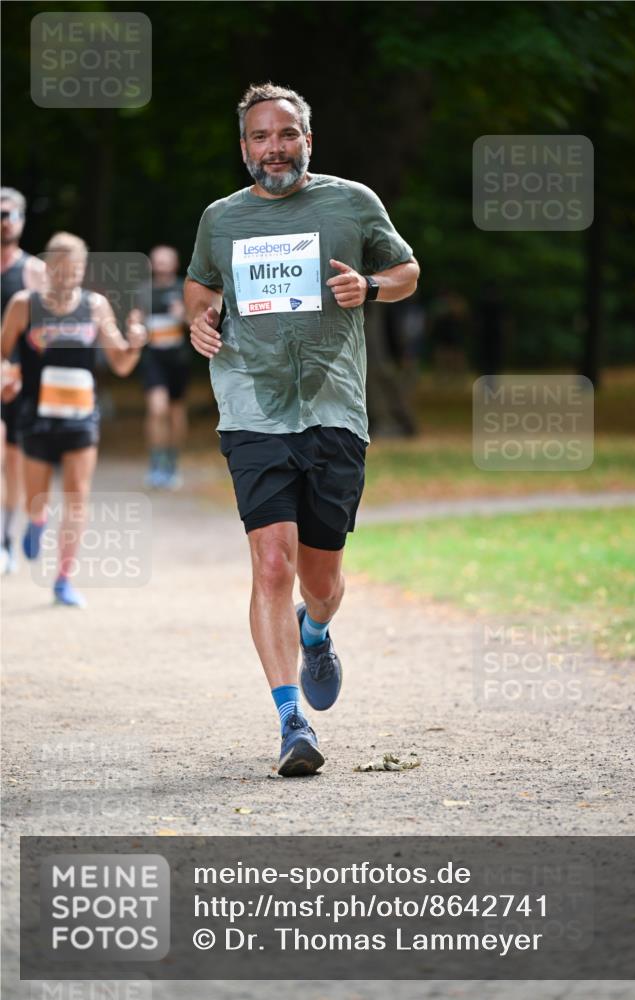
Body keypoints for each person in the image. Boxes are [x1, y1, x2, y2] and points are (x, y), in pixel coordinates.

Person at [186, 83, 419, 777]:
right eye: (260, 137)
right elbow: (200, 286)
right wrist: (199, 317)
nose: (274, 148)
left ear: (307, 140)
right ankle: (292, 721)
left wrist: (370, 288)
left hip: (332, 408)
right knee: (270, 564)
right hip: (251, 409)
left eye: (286, 134)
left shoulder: (351, 202)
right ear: (244, 148)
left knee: (320, 582)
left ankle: (314, 631)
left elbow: (406, 270)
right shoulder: (220, 219)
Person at [1, 232, 146, 607]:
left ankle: (63, 579)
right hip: (36, 416)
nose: (67, 277)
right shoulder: (23, 305)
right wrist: (8, 378)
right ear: (47, 268)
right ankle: (35, 521)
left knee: (78, 499)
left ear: (84, 270)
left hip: (81, 418)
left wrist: (134, 344)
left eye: (75, 270)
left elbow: (122, 364)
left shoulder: (95, 306)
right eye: (60, 270)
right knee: (37, 498)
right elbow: (3, 356)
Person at [0, 187, 46, 573]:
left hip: (18, 380)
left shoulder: (34, 271)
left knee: (13, 460)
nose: (3, 221)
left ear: (21, 220)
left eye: (9, 214)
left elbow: (50, 331)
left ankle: (7, 537)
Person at [139, 245, 190, 489]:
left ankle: (172, 462)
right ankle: (156, 462)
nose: (160, 265)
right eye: (156, 261)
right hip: (153, 358)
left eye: (165, 261)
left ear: (175, 263)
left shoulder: (183, 289)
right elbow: (135, 323)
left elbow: (198, 321)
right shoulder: (143, 292)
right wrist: (136, 327)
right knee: (157, 410)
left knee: (176, 412)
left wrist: (184, 315)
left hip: (177, 359)